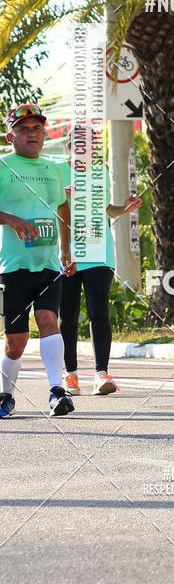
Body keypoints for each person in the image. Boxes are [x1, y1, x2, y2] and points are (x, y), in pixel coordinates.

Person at [0, 104, 77, 418]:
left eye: (36, 129)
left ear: (44, 134)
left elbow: (62, 207)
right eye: (23, 129)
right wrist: (11, 220)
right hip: (11, 267)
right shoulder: (4, 165)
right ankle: (5, 395)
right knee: (16, 342)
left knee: (48, 321)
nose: (31, 134)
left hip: (47, 265)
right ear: (11, 136)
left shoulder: (53, 168)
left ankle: (57, 392)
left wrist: (65, 250)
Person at [57, 126, 142, 396]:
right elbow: (48, 204)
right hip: (67, 253)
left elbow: (106, 208)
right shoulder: (57, 172)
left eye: (93, 146)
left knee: (98, 312)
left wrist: (124, 208)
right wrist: (60, 195)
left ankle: (101, 374)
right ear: (70, 147)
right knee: (67, 316)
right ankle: (70, 375)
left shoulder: (99, 172)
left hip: (99, 252)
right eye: (81, 145)